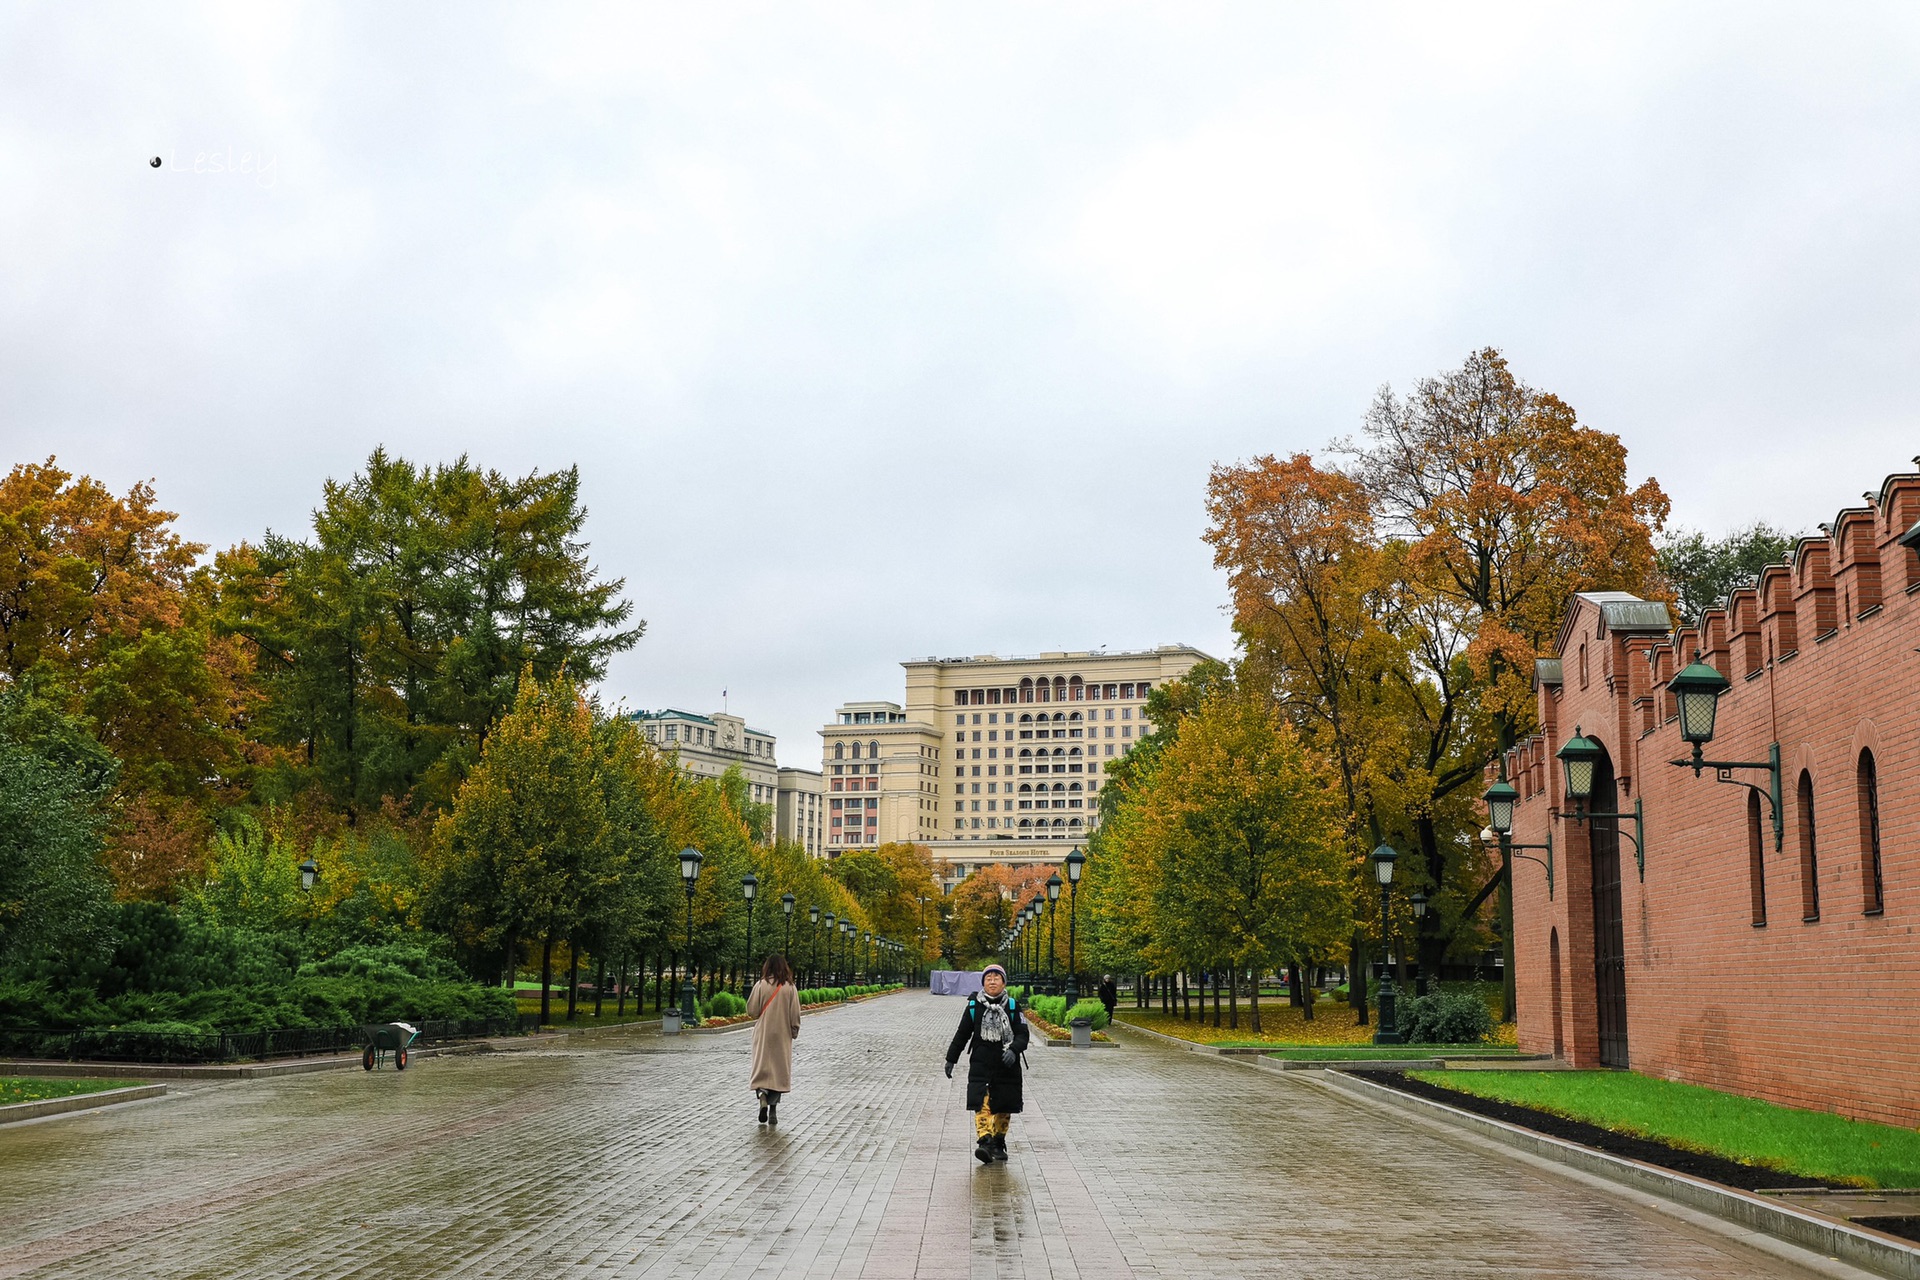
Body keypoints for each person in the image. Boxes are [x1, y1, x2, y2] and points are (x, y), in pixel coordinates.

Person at [944, 963, 1029, 1164]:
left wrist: (1014, 1050)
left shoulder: (1013, 1006)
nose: (992, 981)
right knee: (981, 1104)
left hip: (1006, 1066)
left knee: (1003, 1106)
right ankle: (985, 1142)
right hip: (981, 1064)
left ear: (1003, 982)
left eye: (996, 978)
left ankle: (998, 1142)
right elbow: (962, 1034)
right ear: (983, 982)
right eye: (988, 978)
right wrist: (951, 1059)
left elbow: (1023, 1034)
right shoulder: (974, 1006)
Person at [748, 953, 802, 1125]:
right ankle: (773, 1111)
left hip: (763, 1032)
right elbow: (795, 1012)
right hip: (782, 1033)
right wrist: (794, 1029)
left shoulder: (761, 985)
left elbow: (752, 1011)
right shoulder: (789, 987)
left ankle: (762, 1095)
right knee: (778, 1072)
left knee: (762, 1068)